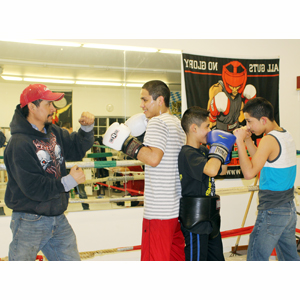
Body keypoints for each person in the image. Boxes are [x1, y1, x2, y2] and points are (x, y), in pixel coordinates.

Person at [4, 83, 95, 261]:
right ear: (31, 107)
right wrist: (69, 181)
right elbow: (33, 187)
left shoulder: (54, 133)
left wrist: (86, 129)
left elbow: (76, 148)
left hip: (57, 217)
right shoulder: (19, 143)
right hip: (29, 220)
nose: (53, 109)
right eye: (48, 104)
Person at [103, 80, 186, 261]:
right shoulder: (177, 124)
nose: (141, 105)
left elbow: (153, 159)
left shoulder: (157, 123)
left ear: (160, 100)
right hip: (175, 208)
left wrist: (125, 143)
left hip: (158, 210)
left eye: (145, 100)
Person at [233, 97, 300, 261]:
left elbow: (249, 173)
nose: (248, 126)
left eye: (250, 121)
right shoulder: (284, 134)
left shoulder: (269, 139)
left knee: (255, 257)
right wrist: (248, 140)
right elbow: (261, 161)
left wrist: (240, 142)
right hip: (287, 208)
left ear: (263, 119)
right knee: (289, 258)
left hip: (273, 209)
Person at [178, 106, 236, 260]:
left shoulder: (203, 151)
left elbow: (221, 171)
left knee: (217, 259)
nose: (210, 131)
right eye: (207, 126)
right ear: (194, 128)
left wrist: (226, 150)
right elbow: (210, 170)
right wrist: (219, 147)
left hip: (211, 218)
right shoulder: (187, 153)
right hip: (195, 221)